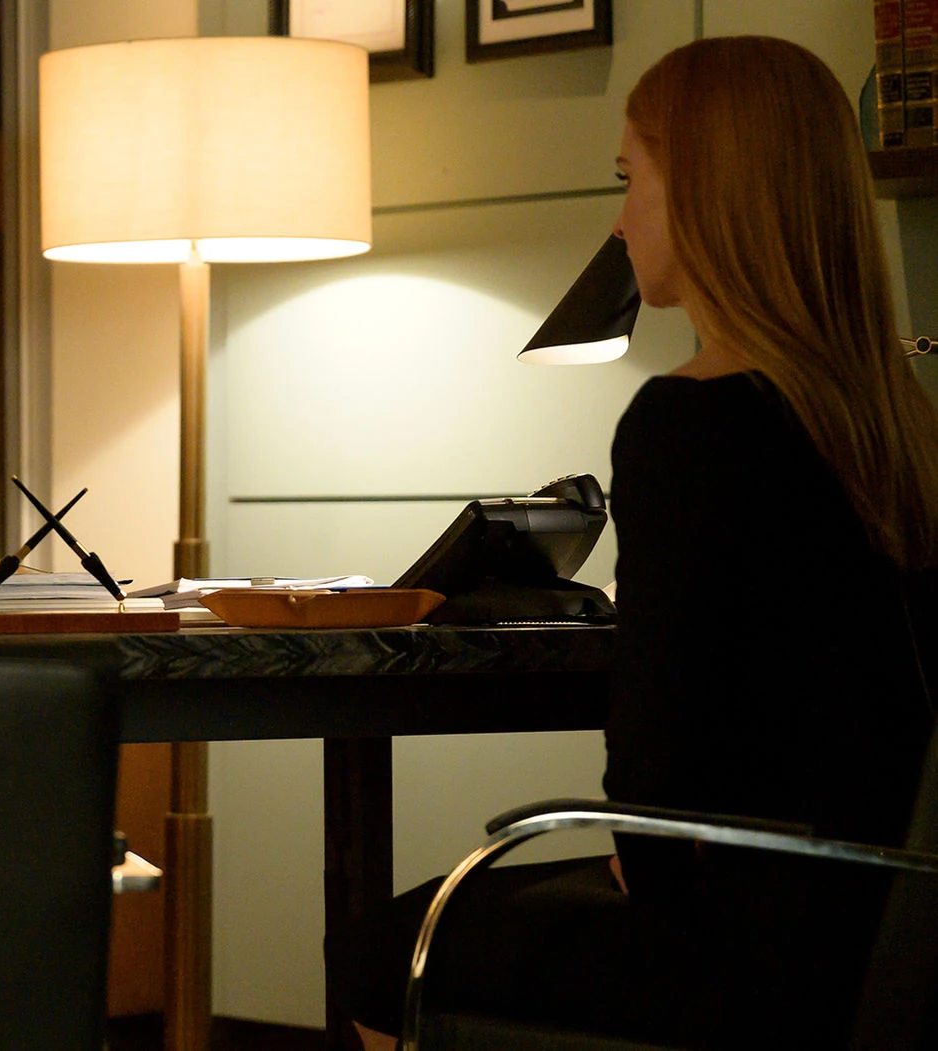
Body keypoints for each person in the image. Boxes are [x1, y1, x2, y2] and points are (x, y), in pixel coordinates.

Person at [341, 37, 938, 1049]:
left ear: (706, 194)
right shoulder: (896, 422)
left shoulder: (689, 422)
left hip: (751, 951)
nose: (618, 223)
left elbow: (655, 749)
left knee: (380, 948)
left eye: (630, 180)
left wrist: (646, 866)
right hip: (886, 926)